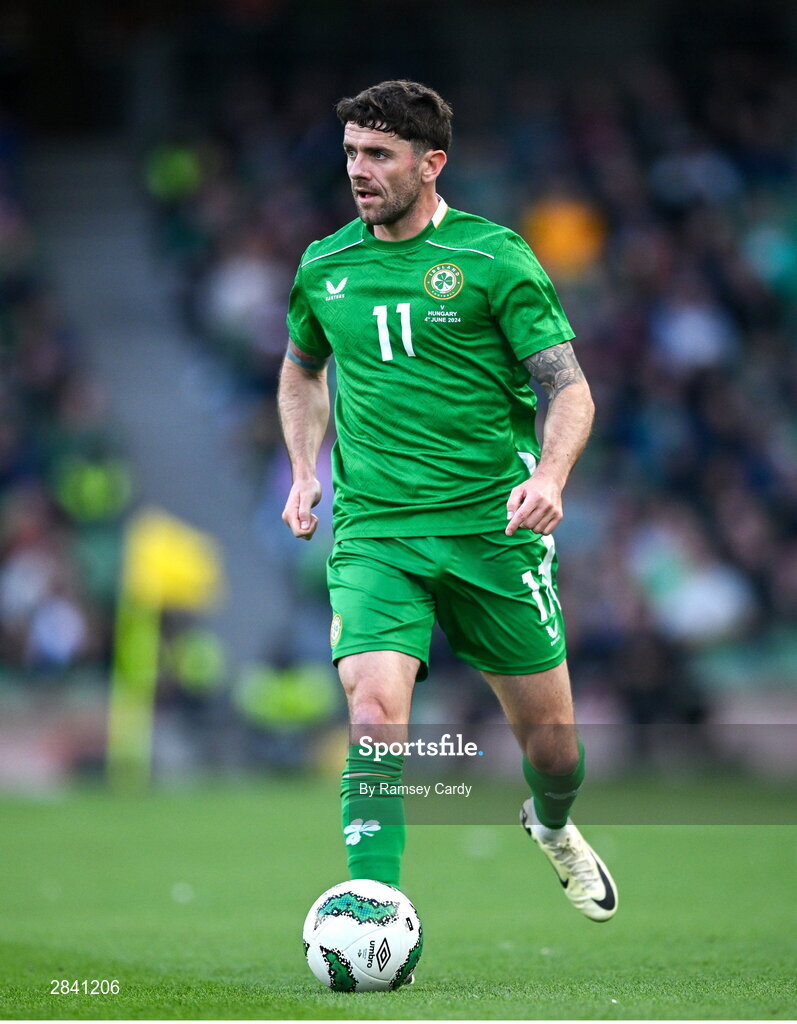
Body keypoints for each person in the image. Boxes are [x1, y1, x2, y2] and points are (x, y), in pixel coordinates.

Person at [278, 79, 617, 924]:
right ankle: (373, 901)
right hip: (376, 532)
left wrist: (547, 476)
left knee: (553, 749)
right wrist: (303, 468)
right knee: (372, 708)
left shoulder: (493, 258)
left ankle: (553, 821)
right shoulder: (324, 264)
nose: (358, 169)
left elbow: (568, 391)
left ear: (430, 164)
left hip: (490, 531)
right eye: (352, 151)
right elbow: (300, 369)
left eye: (379, 155)